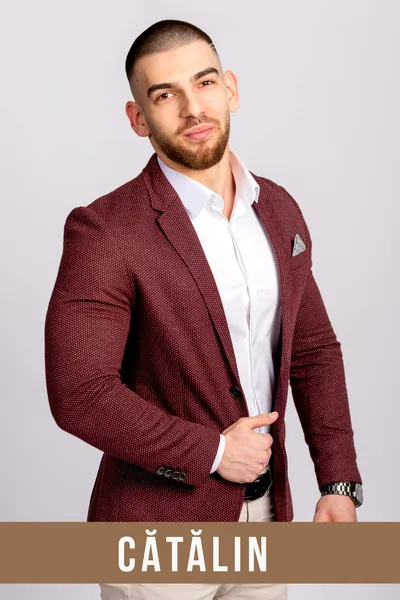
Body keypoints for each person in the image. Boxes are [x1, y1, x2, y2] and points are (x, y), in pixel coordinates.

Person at [44, 19, 363, 600]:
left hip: (266, 514)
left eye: (205, 82)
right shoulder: (105, 230)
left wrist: (338, 480)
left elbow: (313, 350)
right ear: (139, 118)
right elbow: (79, 393)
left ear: (231, 88)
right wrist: (212, 452)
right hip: (155, 532)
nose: (193, 108)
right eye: (165, 95)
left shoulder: (279, 210)